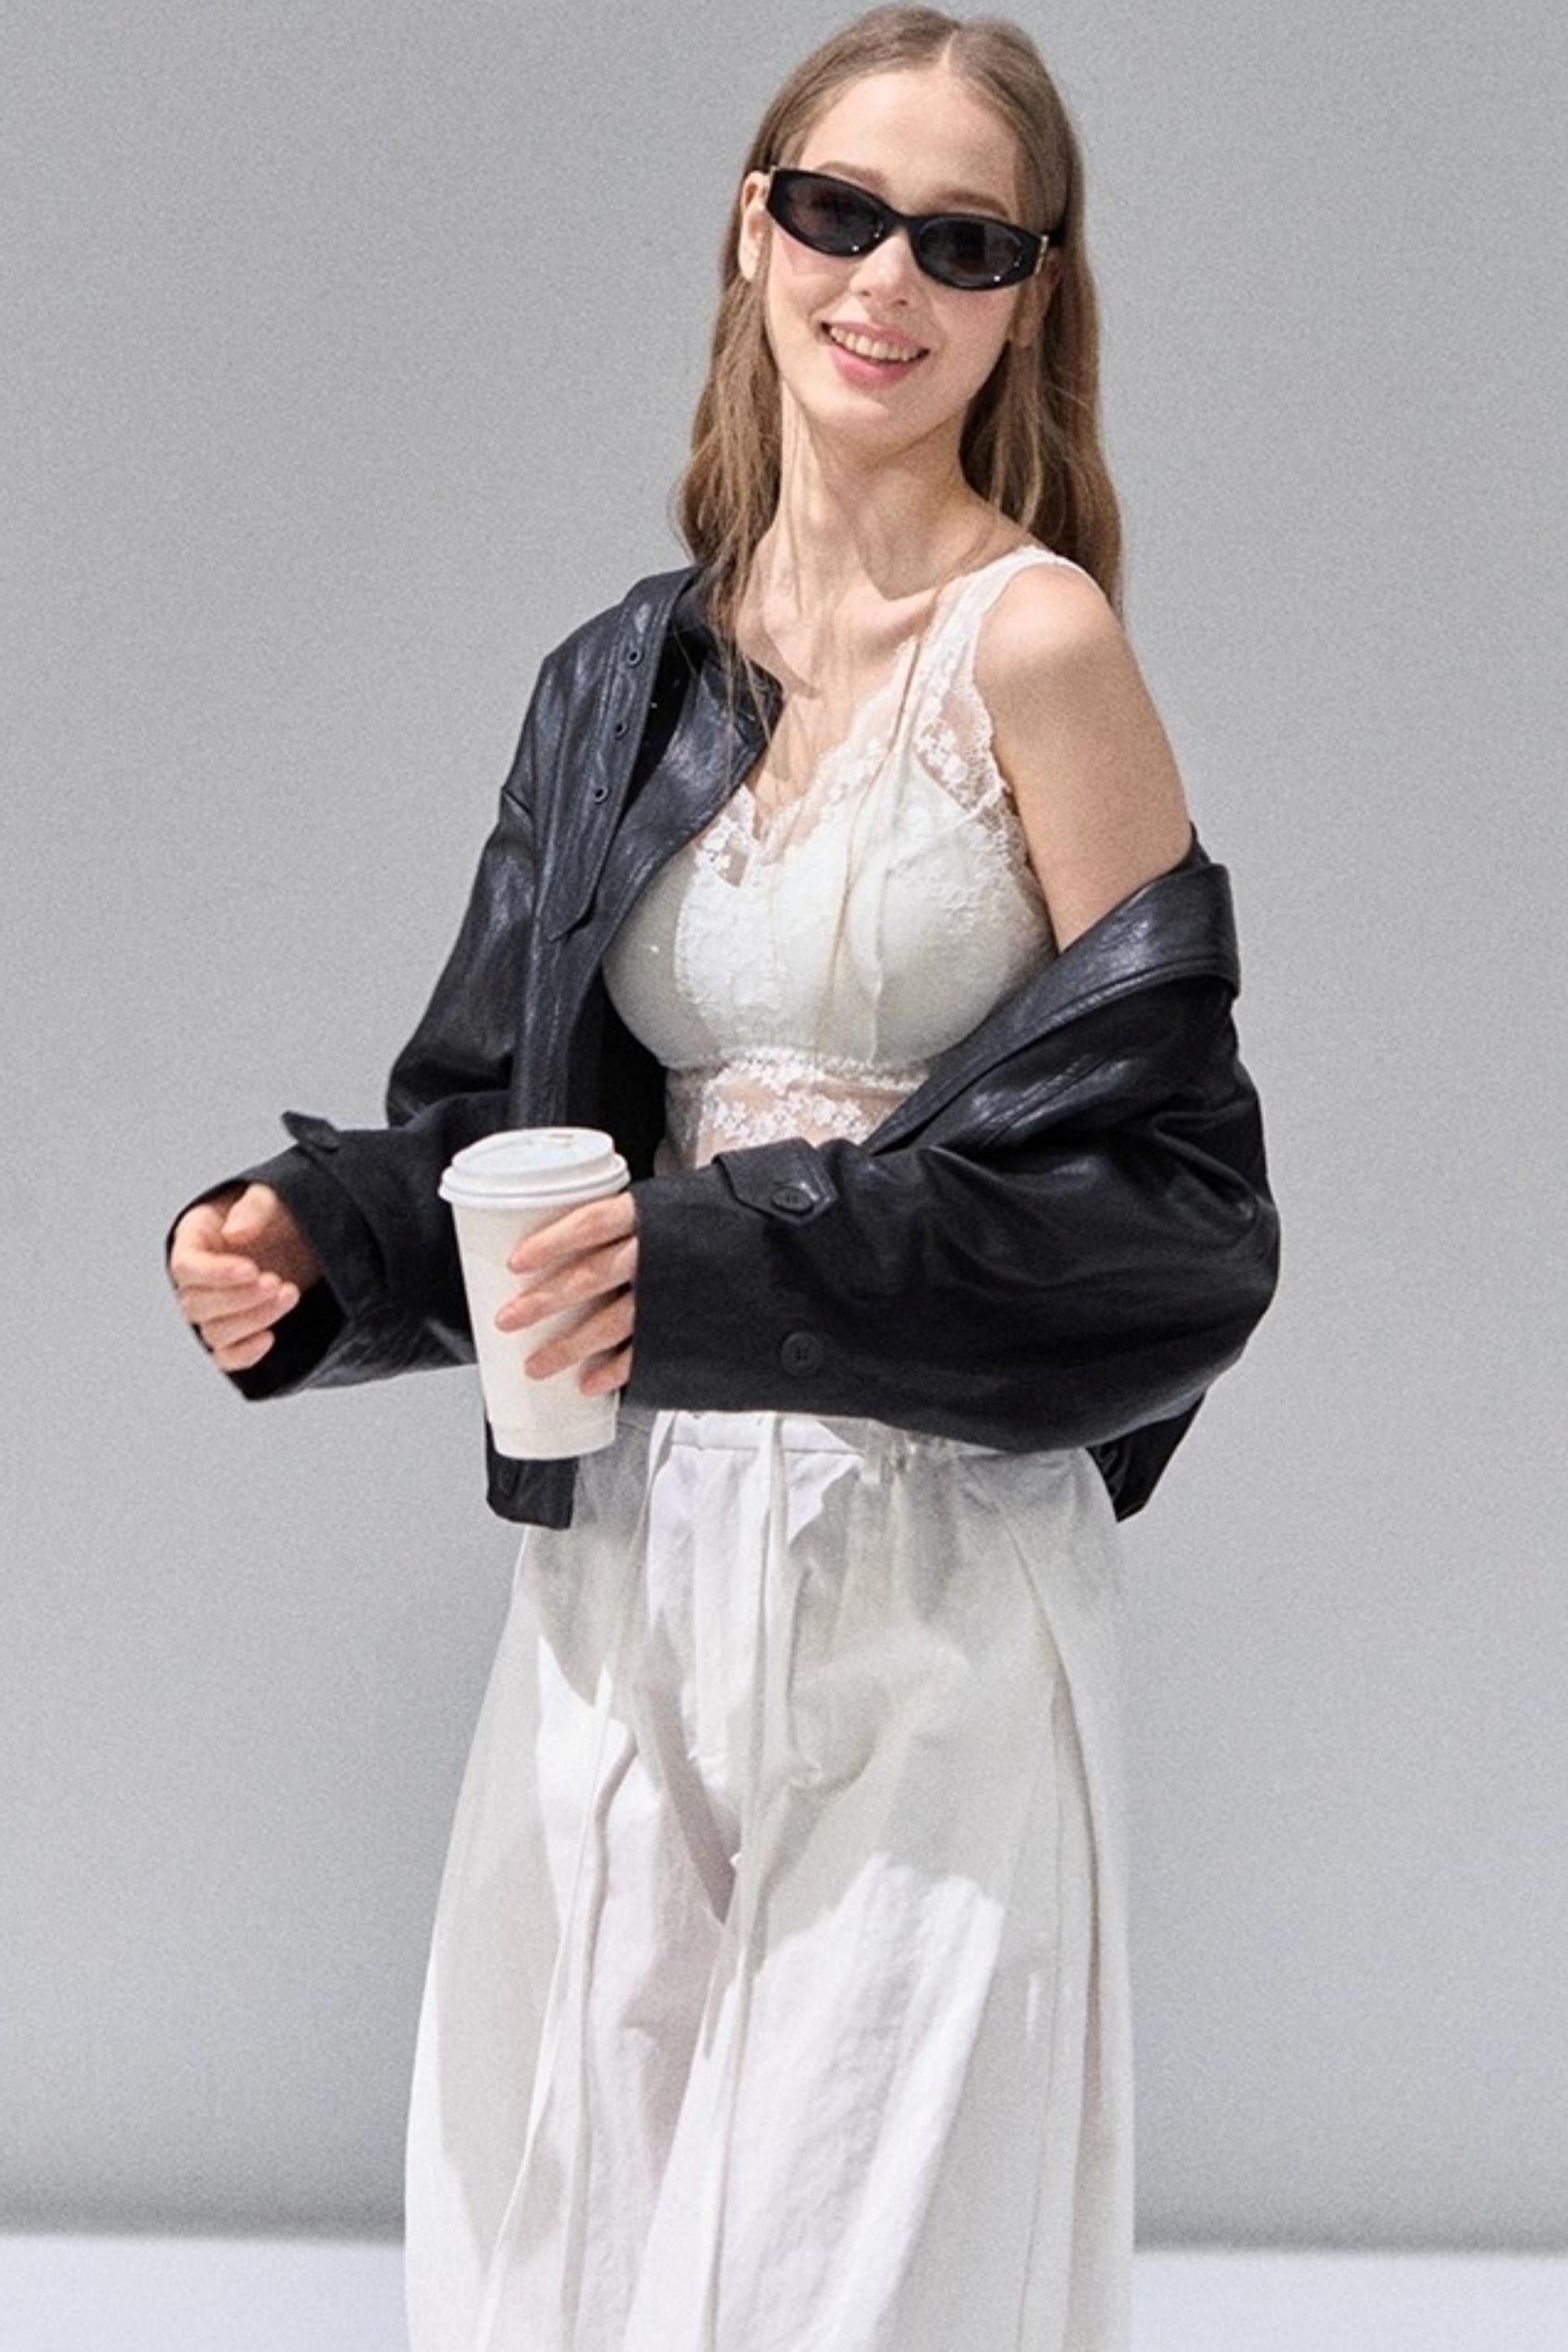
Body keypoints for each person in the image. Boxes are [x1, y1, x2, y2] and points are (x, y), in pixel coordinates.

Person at [165, 9, 1280, 2347]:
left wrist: (694, 1264)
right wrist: (323, 1244)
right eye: (840, 211)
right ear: (750, 232)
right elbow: (494, 1125)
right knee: (569, 2236)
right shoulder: (612, 684)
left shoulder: (1038, 643)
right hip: (630, 1572)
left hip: (927, 1576)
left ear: (1029, 300)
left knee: (843, 2274)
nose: (886, 280)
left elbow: (1177, 1216)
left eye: (961, 240)